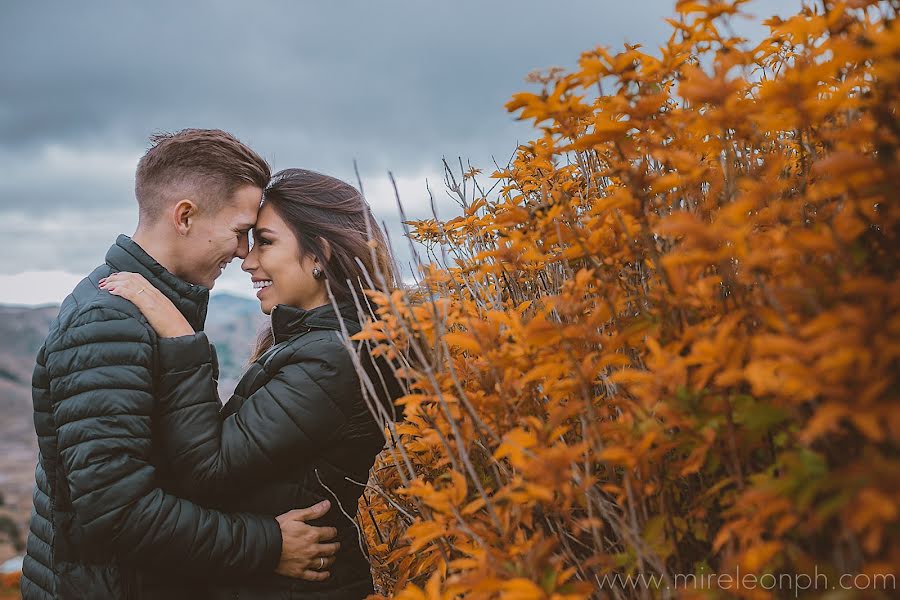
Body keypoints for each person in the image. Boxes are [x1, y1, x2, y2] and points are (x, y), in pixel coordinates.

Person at [21, 131, 341, 600]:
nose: (241, 253)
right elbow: (116, 512)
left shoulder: (154, 310)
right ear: (185, 216)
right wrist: (267, 544)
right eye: (237, 232)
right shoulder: (109, 323)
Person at [99, 168, 404, 599]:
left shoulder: (332, 358)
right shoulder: (313, 344)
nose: (247, 260)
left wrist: (180, 336)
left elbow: (209, 469)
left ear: (320, 255)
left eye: (266, 241)